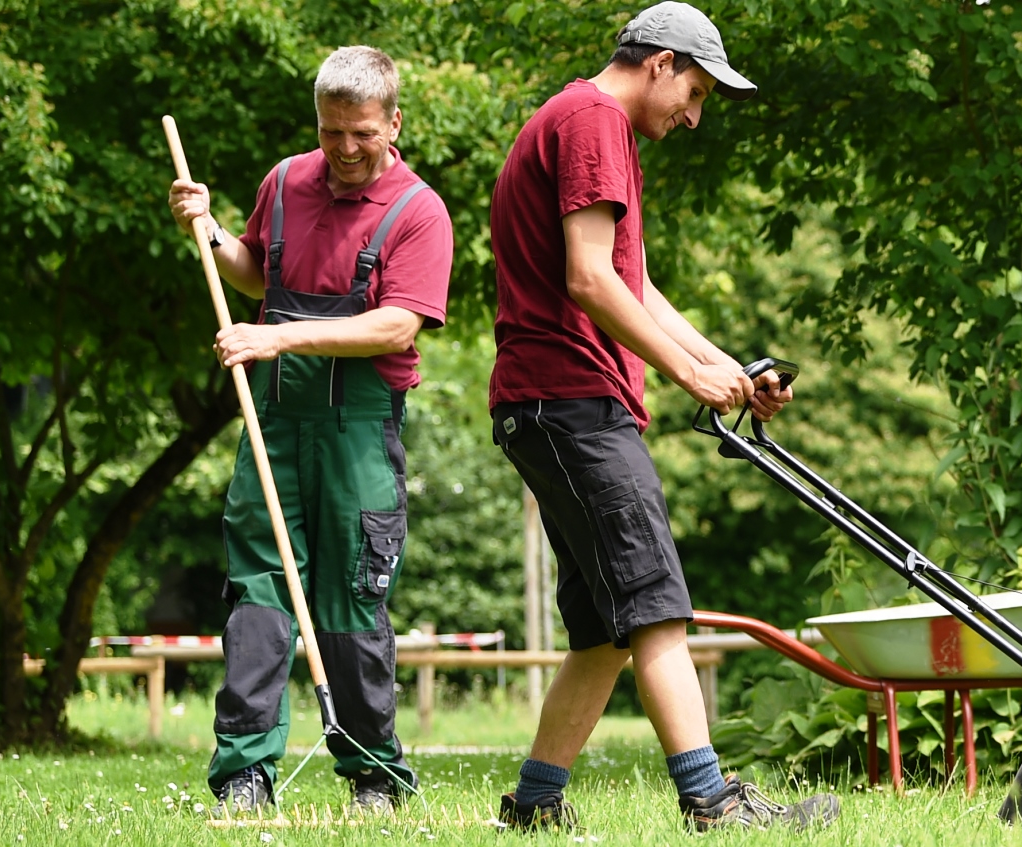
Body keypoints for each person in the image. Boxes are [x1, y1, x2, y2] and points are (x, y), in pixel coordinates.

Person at [484, 2, 837, 832]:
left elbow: (632, 282)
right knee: (655, 605)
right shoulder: (594, 121)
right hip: (569, 400)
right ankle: (711, 802)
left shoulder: (581, 120)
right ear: (660, 62)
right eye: (697, 92)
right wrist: (684, 375)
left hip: (552, 403)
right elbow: (589, 281)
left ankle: (533, 807)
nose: (694, 115)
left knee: (609, 628)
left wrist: (726, 369)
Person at [167, 45, 449, 814]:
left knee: (353, 594)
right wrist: (212, 230)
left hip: (358, 430)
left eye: (363, 133)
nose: (348, 150)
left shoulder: (419, 210)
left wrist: (278, 339)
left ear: (393, 122)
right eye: (333, 133)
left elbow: (398, 325)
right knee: (258, 591)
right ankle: (244, 774)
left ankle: (372, 776)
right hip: (276, 420)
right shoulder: (285, 182)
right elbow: (259, 273)